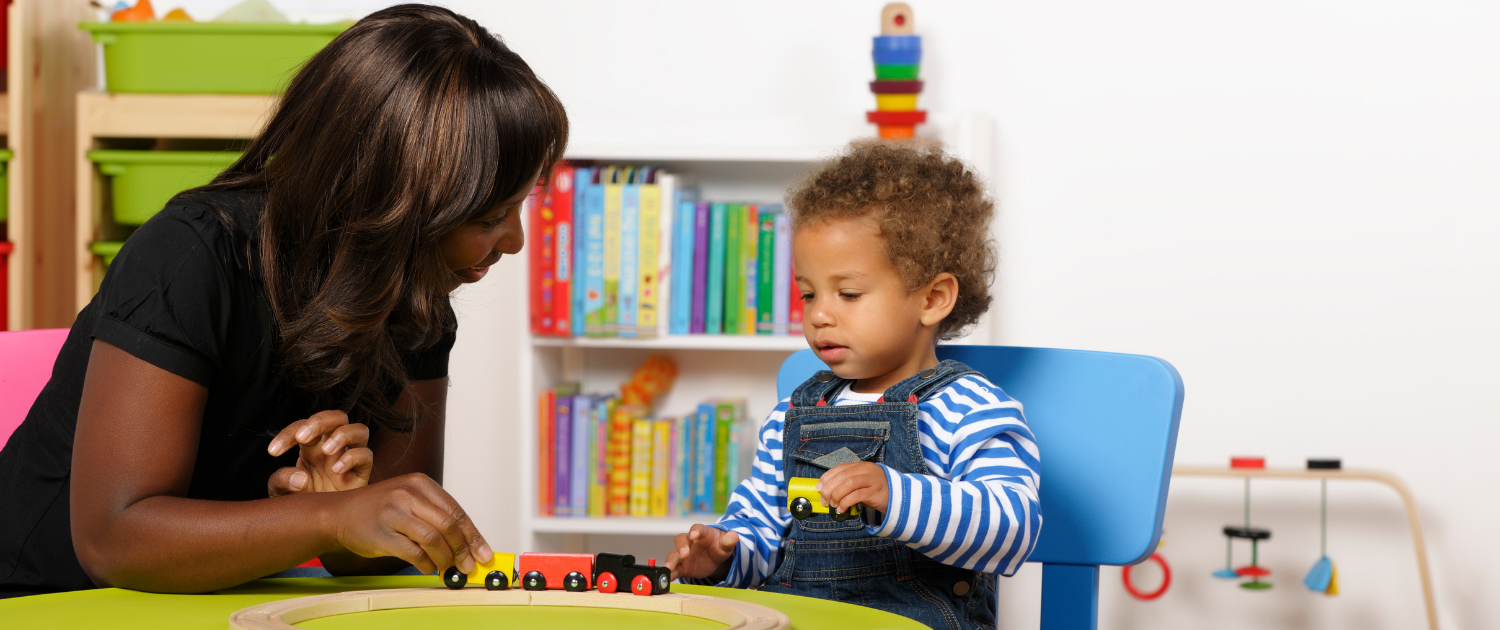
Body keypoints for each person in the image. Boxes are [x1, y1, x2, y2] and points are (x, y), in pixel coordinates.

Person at [0, 4, 567, 598]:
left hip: (214, 604)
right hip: (45, 597)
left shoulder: (418, 298)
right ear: (392, 198)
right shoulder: (189, 257)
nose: (516, 241)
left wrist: (349, 511)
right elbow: (113, 543)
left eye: (520, 206)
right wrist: (328, 519)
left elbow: (384, 553)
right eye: (490, 216)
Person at [664, 141, 1040, 630]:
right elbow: (762, 530)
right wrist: (721, 556)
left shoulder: (968, 407)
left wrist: (895, 494)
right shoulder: (792, 415)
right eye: (807, 293)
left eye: (849, 293)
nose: (819, 314)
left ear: (932, 298)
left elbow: (1013, 527)